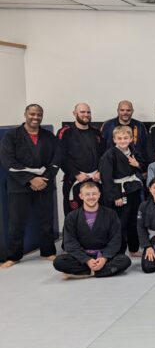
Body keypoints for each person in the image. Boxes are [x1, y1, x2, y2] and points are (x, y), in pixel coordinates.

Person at [0, 104, 61, 267]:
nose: (36, 117)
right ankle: (13, 256)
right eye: (32, 114)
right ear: (25, 114)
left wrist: (44, 179)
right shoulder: (12, 136)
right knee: (16, 222)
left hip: (45, 183)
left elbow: (57, 159)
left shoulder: (49, 136)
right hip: (19, 186)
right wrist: (30, 179)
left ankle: (48, 251)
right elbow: (8, 161)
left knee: (46, 220)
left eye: (39, 114)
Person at [52, 182, 131, 278]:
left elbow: (116, 239)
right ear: (81, 196)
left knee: (124, 260)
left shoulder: (111, 214)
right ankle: (100, 271)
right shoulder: (72, 217)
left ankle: (87, 272)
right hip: (83, 256)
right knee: (59, 262)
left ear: (99, 195)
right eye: (87, 194)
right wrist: (87, 260)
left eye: (94, 194)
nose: (91, 197)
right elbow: (70, 242)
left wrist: (104, 258)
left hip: (104, 255)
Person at [99, 125, 145, 256]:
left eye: (126, 138)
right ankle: (119, 251)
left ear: (131, 139)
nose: (123, 140)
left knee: (133, 220)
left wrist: (138, 165)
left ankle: (134, 248)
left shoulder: (133, 151)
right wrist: (115, 196)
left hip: (132, 190)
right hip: (119, 192)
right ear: (114, 139)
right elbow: (106, 178)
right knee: (121, 222)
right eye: (119, 138)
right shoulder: (110, 155)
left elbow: (142, 165)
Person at [57, 102, 104, 215]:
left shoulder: (96, 132)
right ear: (74, 113)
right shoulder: (65, 132)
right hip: (75, 179)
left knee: (97, 214)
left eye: (88, 112)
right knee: (73, 215)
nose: (86, 114)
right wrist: (76, 173)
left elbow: (104, 154)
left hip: (95, 179)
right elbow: (61, 156)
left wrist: (100, 171)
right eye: (82, 112)